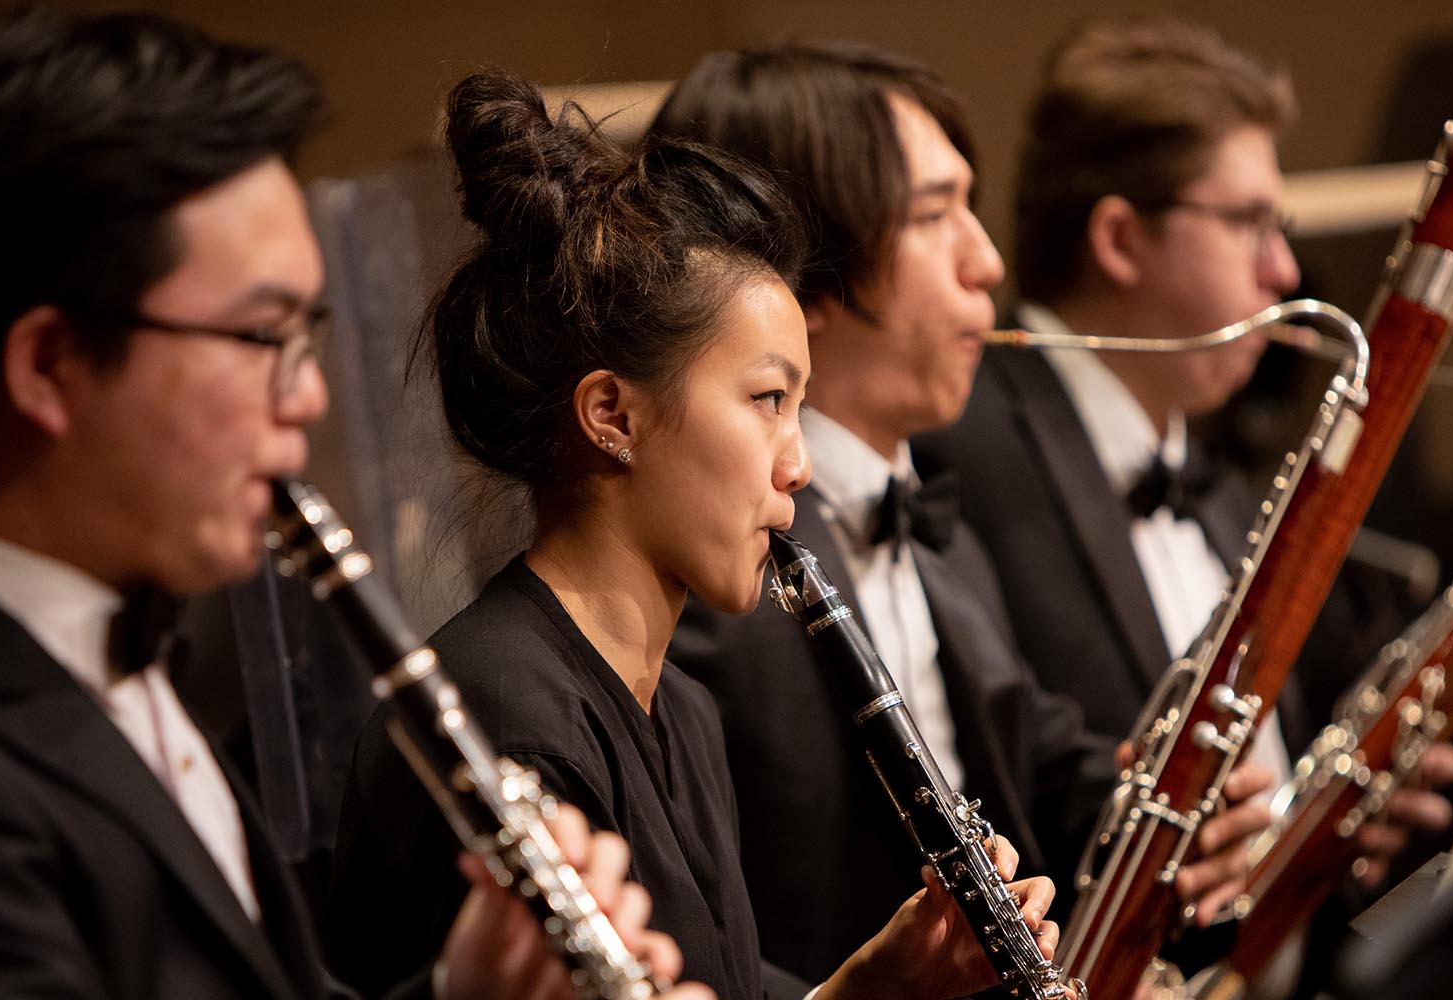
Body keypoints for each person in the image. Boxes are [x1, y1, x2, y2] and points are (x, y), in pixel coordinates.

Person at [0, 12, 692, 1000]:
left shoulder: (129, 669)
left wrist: (467, 989)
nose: (306, 393)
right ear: (48, 366)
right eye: (260, 335)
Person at [327, 70, 1057, 1000]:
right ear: (612, 416)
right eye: (765, 401)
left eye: (798, 406)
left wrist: (876, 984)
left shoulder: (682, 711)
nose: (796, 464)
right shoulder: (504, 723)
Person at [647, 40, 1277, 985]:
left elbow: (1038, 769)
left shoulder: (947, 548)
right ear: (802, 274)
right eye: (936, 215)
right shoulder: (712, 581)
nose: (987, 260)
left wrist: (1188, 829)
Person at [915, 15, 1453, 831]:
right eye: (1250, 224)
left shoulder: (1216, 482)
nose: (1282, 272)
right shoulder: (957, 441)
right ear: (1120, 239)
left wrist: (1329, 842)